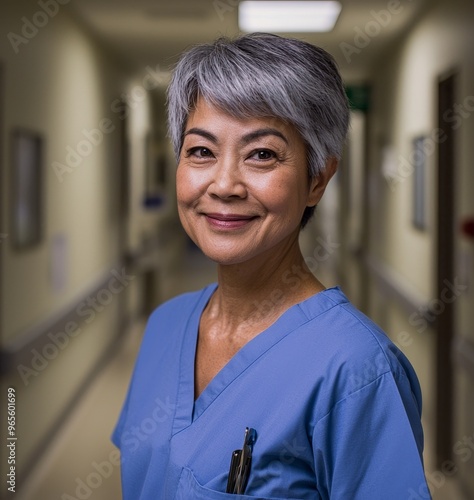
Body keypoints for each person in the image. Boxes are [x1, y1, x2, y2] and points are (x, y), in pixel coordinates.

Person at [112, 33, 430, 499]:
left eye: (261, 154)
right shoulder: (165, 325)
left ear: (317, 179)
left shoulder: (356, 370)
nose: (224, 184)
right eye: (201, 150)